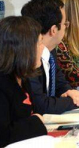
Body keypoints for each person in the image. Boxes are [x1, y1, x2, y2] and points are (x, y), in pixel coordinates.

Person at [22, 0, 79, 114]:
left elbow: (60, 83)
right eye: (65, 23)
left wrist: (70, 92)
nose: (67, 27)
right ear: (54, 30)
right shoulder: (28, 57)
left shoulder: (51, 51)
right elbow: (40, 104)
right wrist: (77, 101)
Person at [0, 16, 47, 146]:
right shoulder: (2, 85)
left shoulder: (23, 78)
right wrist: (36, 122)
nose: (43, 48)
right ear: (24, 49)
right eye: (39, 43)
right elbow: (3, 136)